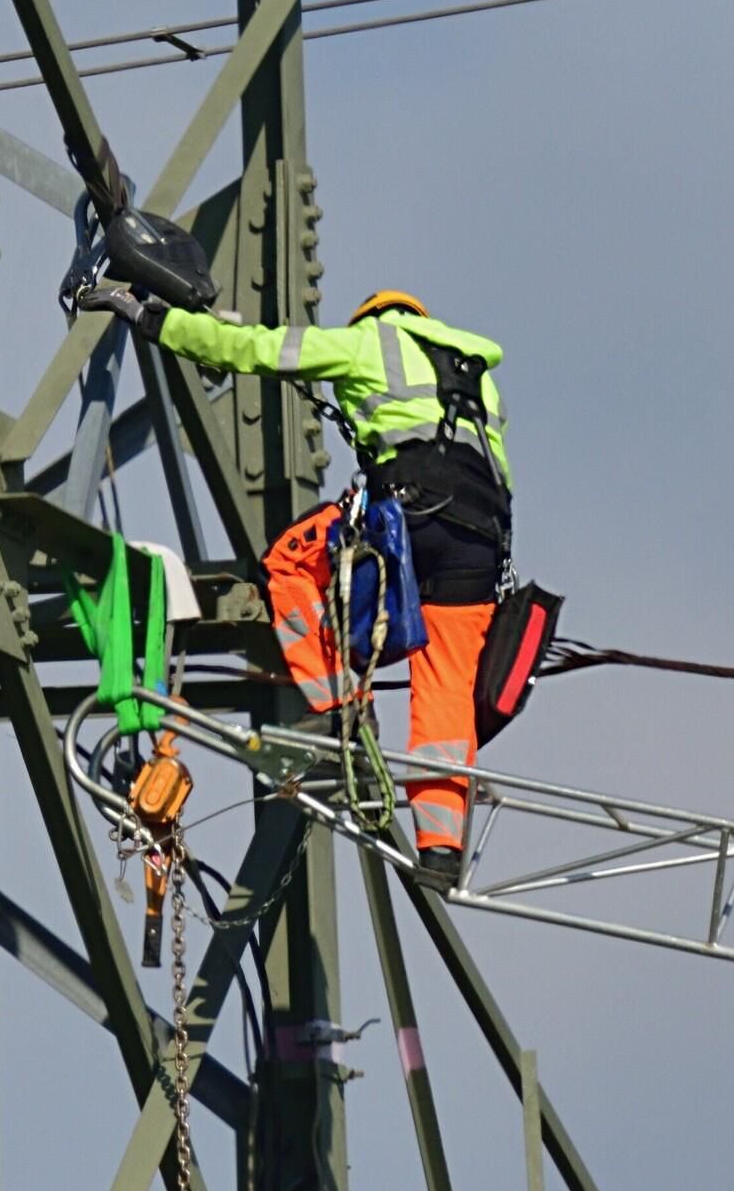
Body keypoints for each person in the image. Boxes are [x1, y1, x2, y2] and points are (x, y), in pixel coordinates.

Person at [75, 281, 512, 884]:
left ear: (376, 317)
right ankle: (440, 848)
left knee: (288, 563)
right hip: (481, 541)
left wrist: (155, 320)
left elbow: (253, 349)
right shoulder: (479, 377)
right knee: (445, 689)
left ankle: (338, 710)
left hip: (409, 513)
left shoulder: (369, 343)